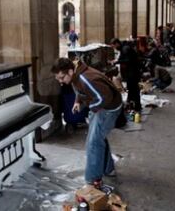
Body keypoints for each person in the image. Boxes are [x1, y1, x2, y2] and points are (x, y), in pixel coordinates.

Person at [51, 58, 122, 187]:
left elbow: (104, 98)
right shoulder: (76, 75)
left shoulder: (85, 78)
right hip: (103, 106)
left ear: (71, 72)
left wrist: (92, 108)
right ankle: (108, 169)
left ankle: (92, 179)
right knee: (98, 138)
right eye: (58, 79)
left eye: (62, 78)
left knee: (94, 143)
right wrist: (78, 101)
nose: (61, 82)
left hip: (108, 109)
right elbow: (80, 88)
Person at [110, 38, 142, 112]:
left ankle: (136, 106)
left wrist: (116, 62)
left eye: (114, 46)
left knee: (133, 90)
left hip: (132, 73)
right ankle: (133, 105)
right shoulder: (124, 48)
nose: (114, 48)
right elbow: (123, 58)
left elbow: (127, 60)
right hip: (132, 73)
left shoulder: (125, 49)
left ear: (117, 43)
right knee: (132, 90)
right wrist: (116, 61)